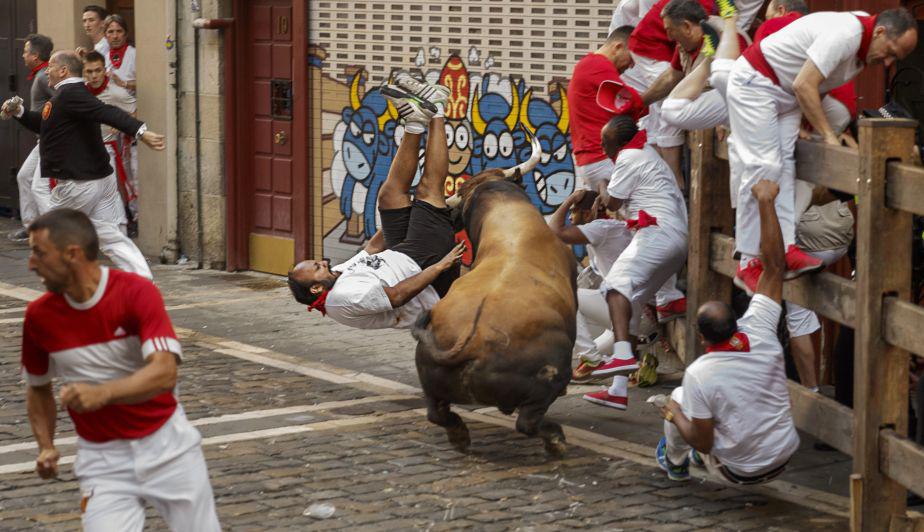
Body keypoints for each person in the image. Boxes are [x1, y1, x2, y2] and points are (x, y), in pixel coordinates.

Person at [21, 208, 220, 531]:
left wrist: (103, 393)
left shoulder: (135, 293)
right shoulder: (38, 316)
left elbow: (165, 372)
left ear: (72, 254)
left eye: (39, 253)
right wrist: (45, 445)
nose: (31, 264)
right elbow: (38, 386)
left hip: (168, 448)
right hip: (102, 461)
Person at [727, 8, 918, 294]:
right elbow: (805, 84)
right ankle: (747, 263)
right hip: (757, 83)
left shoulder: (862, 45)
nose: (887, 62)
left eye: (896, 60)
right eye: (890, 52)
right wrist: (828, 136)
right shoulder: (847, 34)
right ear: (879, 32)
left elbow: (818, 84)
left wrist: (807, 124)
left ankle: (787, 247)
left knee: (786, 168)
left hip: (785, 97)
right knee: (762, 167)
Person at [287, 76, 464, 330]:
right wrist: (441, 265)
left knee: (388, 197)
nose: (324, 262)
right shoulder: (343, 298)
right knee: (428, 191)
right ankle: (437, 109)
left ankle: (414, 122)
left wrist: (408, 214)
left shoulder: (338, 275)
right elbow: (397, 295)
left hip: (403, 253)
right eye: (318, 267)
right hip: (427, 271)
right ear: (316, 288)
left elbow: (371, 249)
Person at [656, 179, 799, 484]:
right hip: (785, 455)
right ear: (736, 320)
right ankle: (685, 456)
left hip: (741, 472)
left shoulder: (699, 373)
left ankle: (675, 462)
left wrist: (673, 414)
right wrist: (765, 201)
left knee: (679, 399)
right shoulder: (759, 328)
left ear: (703, 337)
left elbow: (704, 441)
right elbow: (775, 267)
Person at [1, 50, 164, 279]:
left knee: (54, 233)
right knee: (109, 235)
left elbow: (106, 112)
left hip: (80, 184)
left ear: (63, 71)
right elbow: (44, 124)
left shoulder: (71, 95)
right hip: (100, 181)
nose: (47, 70)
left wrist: (140, 131)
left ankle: (69, 289)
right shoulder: (67, 96)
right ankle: (143, 281)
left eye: (51, 67)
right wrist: (19, 112)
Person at [580, 114, 688, 408]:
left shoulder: (629, 156)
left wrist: (602, 183)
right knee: (633, 302)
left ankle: (623, 355)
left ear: (619, 142)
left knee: (616, 287)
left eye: (606, 143)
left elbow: (612, 202)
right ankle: (617, 390)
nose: (603, 149)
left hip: (657, 234)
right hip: (672, 238)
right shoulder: (646, 153)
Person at [621, 0, 724, 188]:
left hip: (743, 109)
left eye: (669, 30)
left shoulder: (716, 35)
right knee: (669, 107)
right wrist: (640, 103)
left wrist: (722, 119)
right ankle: (674, 181)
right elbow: (671, 77)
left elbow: (729, 84)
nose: (668, 35)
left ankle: (674, 180)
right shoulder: (684, 42)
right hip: (648, 47)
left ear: (688, 26)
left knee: (672, 108)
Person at [568, 25, 636, 205]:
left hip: (593, 160)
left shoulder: (588, 65)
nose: (631, 65)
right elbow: (634, 104)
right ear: (618, 47)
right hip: (602, 158)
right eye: (631, 57)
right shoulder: (599, 66)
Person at [9, 34, 55, 242]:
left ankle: (54, 231)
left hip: (51, 140)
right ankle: (31, 227)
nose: (23, 55)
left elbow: (63, 99)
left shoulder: (45, 76)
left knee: (38, 186)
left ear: (35, 56)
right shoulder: (41, 75)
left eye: (26, 51)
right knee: (24, 177)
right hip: (43, 140)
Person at [84, 51, 137, 229]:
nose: (94, 76)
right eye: (89, 71)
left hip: (107, 152)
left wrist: (121, 126)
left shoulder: (115, 93)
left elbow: (134, 112)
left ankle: (121, 232)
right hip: (84, 153)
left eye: (97, 70)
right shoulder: (80, 92)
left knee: (112, 195)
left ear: (104, 70)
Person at [103, 14, 135, 93]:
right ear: (105, 36)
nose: (115, 36)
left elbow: (145, 83)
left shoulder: (134, 54)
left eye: (119, 31)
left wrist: (123, 83)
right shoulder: (104, 57)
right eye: (110, 32)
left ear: (126, 34)